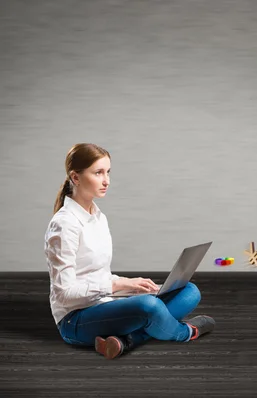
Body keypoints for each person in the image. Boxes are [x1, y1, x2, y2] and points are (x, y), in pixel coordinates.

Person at [45, 143, 215, 360]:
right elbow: (64, 293)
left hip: (106, 303)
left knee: (189, 290)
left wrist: (132, 285)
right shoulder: (64, 224)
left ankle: (126, 341)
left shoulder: (98, 217)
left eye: (108, 172)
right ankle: (186, 332)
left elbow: (97, 274)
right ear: (75, 178)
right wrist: (118, 285)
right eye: (98, 173)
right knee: (149, 306)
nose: (106, 181)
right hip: (76, 321)